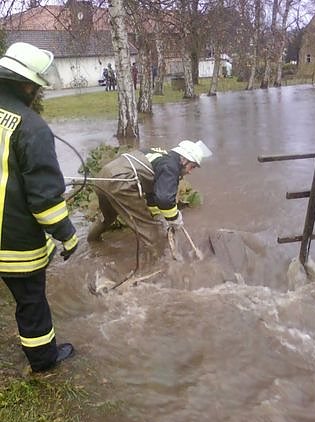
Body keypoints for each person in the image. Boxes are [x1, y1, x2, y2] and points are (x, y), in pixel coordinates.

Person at [0, 42, 79, 372]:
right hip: (14, 240)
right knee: (31, 303)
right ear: (29, 85)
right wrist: (68, 234)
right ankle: (45, 361)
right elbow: (45, 201)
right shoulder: (31, 128)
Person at [87, 140, 212, 251]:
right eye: (192, 166)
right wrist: (175, 219)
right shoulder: (171, 166)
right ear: (184, 160)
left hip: (103, 177)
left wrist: (157, 215)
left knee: (107, 218)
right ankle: (158, 263)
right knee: (150, 230)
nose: (190, 172)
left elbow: (152, 191)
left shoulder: (160, 155)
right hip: (120, 183)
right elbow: (164, 200)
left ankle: (92, 243)